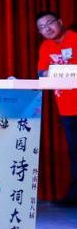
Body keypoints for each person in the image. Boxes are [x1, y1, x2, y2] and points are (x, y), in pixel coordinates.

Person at [35, 10, 77, 206]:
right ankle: (74, 194)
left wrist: (55, 71)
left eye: (49, 23)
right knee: (74, 151)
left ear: (59, 22)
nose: (47, 29)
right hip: (66, 107)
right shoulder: (46, 46)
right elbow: (41, 73)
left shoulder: (74, 38)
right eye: (41, 27)